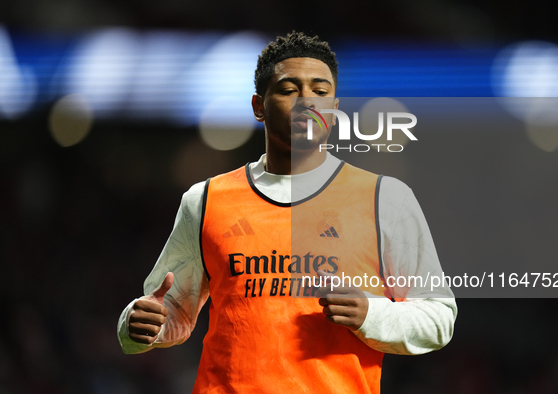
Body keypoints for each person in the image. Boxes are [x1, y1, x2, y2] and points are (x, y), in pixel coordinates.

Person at [117, 31, 457, 393]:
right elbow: (169, 311)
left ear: (335, 108)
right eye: (289, 89)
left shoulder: (384, 198)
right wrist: (138, 326)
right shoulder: (205, 199)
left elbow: (438, 316)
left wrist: (371, 314)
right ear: (258, 106)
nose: (306, 101)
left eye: (320, 91)